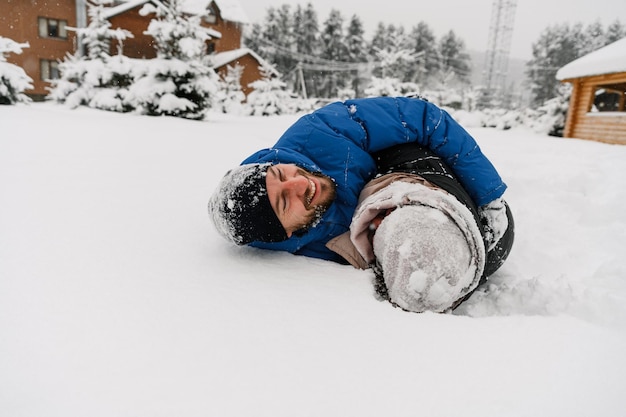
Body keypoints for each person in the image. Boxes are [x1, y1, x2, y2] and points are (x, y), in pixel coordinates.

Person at [208, 96, 513, 309]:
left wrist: (489, 197)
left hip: (407, 156)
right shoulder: (296, 249)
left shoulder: (322, 130)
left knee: (492, 236)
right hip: (379, 198)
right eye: (285, 201)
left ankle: (449, 221)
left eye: (280, 173)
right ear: (286, 234)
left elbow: (424, 118)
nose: (300, 182)